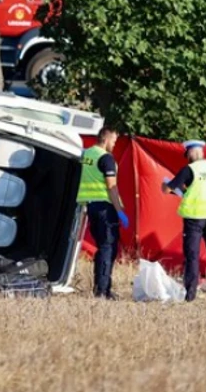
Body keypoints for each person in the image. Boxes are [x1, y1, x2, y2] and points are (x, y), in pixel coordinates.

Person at [163, 140, 206, 302]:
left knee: (192, 256)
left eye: (187, 155)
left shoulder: (189, 170)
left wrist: (164, 186)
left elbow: (169, 188)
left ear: (191, 153)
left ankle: (191, 293)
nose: (187, 158)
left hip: (194, 218)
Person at [77, 127, 129, 299]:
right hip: (105, 209)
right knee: (108, 248)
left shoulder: (87, 155)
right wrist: (120, 211)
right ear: (106, 139)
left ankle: (101, 287)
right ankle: (102, 291)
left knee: (102, 248)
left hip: (90, 207)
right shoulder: (105, 158)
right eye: (114, 141)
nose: (114, 144)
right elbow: (111, 187)